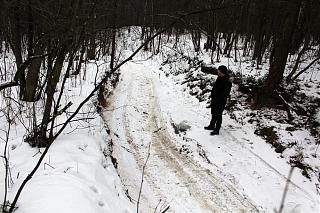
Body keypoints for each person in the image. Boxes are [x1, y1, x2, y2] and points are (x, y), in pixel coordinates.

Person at [204, 65, 232, 135]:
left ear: (222, 71)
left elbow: (226, 93)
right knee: (213, 112)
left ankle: (217, 129)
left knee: (218, 115)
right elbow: (216, 87)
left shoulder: (227, 81)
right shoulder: (219, 77)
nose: (217, 71)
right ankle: (212, 125)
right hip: (215, 99)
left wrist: (219, 98)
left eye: (219, 70)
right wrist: (213, 94)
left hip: (221, 101)